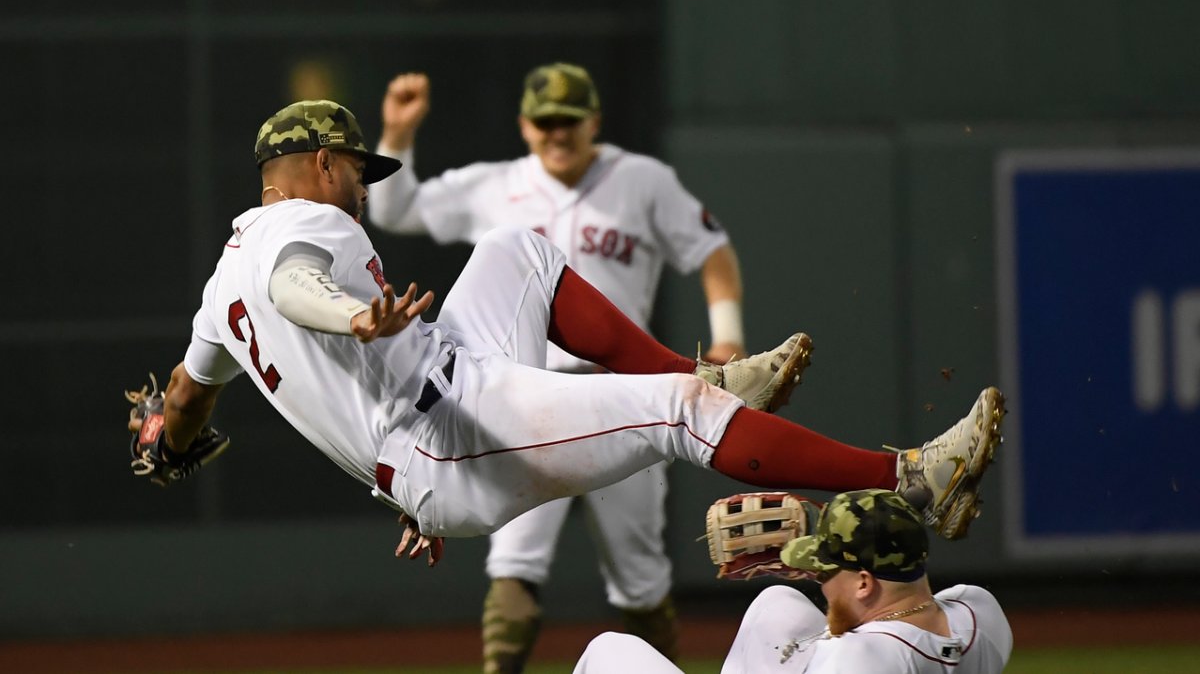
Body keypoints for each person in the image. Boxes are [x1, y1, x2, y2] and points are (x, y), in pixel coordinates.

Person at [136, 97, 1001, 613]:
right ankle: (912, 478)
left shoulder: (219, 292)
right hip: (443, 435)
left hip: (438, 405)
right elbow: (296, 284)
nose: (363, 186)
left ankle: (694, 371)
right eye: (358, 170)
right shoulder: (308, 222)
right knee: (679, 420)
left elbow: (183, 396)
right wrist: (351, 316)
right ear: (324, 162)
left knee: (519, 249)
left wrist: (165, 445)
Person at [366, 62, 748, 671]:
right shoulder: (496, 184)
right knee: (514, 565)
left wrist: (726, 336)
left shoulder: (641, 180)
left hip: (626, 394)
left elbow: (712, 249)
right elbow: (395, 207)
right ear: (524, 124)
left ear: (594, 121)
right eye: (544, 122)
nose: (557, 134)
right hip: (523, 400)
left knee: (641, 576)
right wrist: (397, 135)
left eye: (569, 121)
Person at [572, 489, 1013, 674]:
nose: (818, 582)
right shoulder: (981, 615)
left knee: (609, 651)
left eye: (823, 572)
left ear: (863, 583)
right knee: (780, 603)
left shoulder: (856, 660)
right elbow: (902, 598)